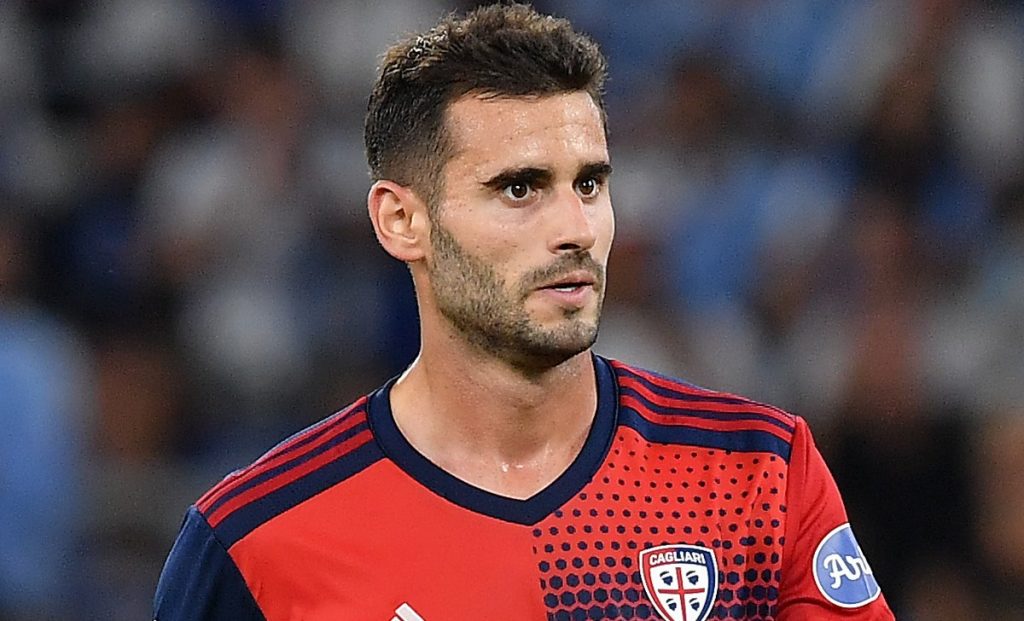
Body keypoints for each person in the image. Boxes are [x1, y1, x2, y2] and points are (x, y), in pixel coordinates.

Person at [153, 4, 895, 620]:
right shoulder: (256, 542)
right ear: (401, 221)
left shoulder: (758, 474)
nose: (575, 228)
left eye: (589, 184)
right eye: (520, 188)